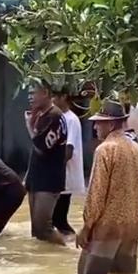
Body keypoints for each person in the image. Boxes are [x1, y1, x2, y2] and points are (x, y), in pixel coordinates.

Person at [76, 101, 138, 274]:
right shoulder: (136, 148)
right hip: (132, 226)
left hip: (108, 228)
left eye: (98, 122)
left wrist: (86, 227)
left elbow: (96, 193)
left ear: (111, 124)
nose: (95, 127)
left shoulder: (105, 150)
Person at [24, 80, 67, 246]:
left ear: (46, 93)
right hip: (36, 178)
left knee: (44, 227)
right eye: (28, 93)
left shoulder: (55, 116)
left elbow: (42, 147)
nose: (30, 97)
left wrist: (29, 126)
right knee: (37, 230)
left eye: (33, 93)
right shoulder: (41, 115)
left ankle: (66, 251)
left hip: (49, 180)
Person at [51, 88, 85, 236]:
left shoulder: (70, 119)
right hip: (61, 176)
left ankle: (71, 245)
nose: (51, 100)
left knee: (58, 220)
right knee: (54, 219)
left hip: (66, 176)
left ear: (63, 97)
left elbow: (68, 150)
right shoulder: (59, 118)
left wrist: (53, 170)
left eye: (54, 96)